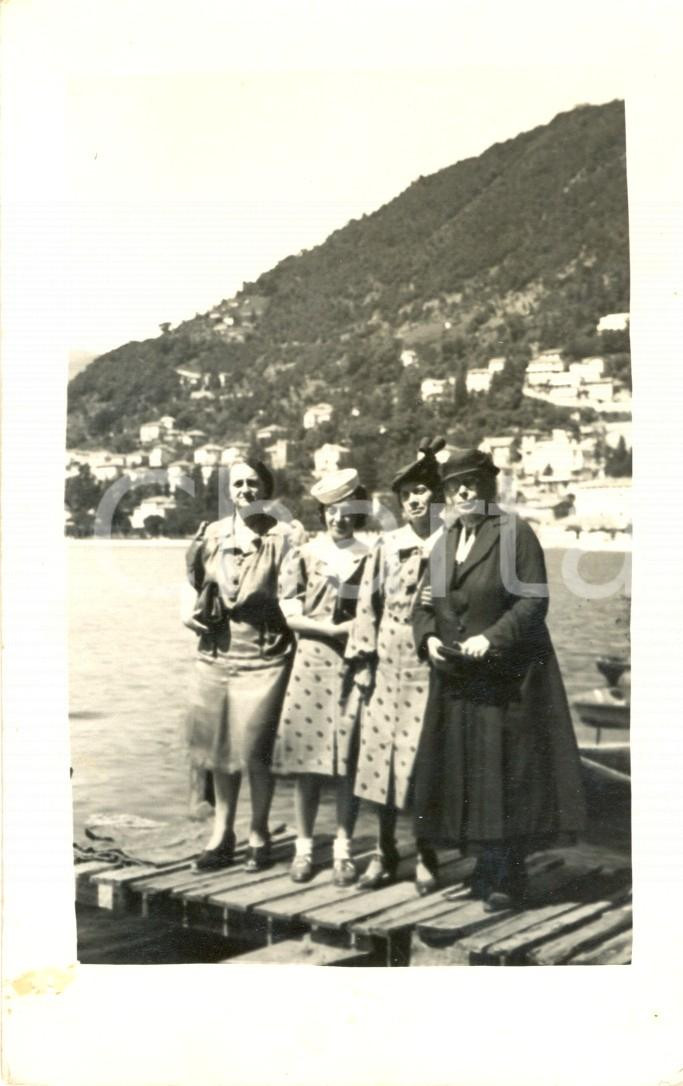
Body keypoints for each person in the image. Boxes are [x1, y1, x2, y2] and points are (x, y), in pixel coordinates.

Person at [411, 448, 586, 908]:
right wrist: (427, 639)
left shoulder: (514, 533)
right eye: (454, 485)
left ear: (489, 488)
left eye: (472, 483)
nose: (463, 491)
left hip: (509, 677)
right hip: (458, 677)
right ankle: (484, 868)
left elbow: (533, 602)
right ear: (445, 494)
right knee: (469, 771)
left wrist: (492, 639)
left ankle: (510, 876)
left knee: (508, 772)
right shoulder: (446, 541)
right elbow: (424, 604)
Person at [184, 458, 296, 872]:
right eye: (238, 484)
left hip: (265, 654)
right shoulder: (212, 535)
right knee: (218, 749)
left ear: (265, 489)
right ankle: (222, 833)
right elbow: (193, 583)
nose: (245, 490)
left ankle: (259, 832)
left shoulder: (286, 537)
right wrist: (187, 614)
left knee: (254, 750)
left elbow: (295, 594)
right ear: (228, 491)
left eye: (253, 483)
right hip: (215, 651)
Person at [345, 437, 444, 891]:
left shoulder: (453, 544)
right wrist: (363, 663)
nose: (414, 501)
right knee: (379, 758)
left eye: (421, 492)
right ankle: (384, 852)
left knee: (424, 763)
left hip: (433, 664)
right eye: (406, 496)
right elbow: (368, 605)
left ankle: (426, 853)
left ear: (436, 495)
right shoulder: (387, 545)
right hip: (387, 661)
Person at [272, 469, 370, 886]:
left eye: (348, 511)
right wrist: (329, 630)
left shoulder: (371, 554)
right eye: (332, 511)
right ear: (323, 513)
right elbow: (289, 612)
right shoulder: (305, 553)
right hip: (311, 662)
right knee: (307, 764)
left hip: (353, 664)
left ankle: (344, 851)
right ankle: (304, 849)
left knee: (348, 762)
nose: (340, 519)